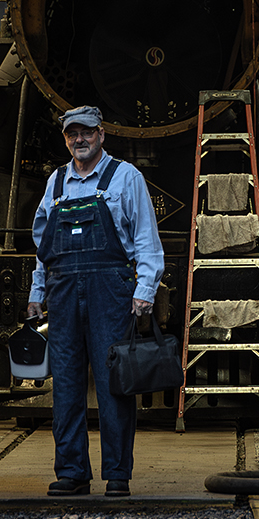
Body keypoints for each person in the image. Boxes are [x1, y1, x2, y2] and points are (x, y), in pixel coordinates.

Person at [27, 106, 164, 497]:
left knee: (113, 385)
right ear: (66, 138)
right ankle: (72, 473)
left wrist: (145, 290)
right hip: (63, 291)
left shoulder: (125, 177)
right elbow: (43, 248)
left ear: (101, 134)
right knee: (66, 384)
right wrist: (37, 292)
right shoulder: (56, 183)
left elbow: (145, 239)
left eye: (86, 132)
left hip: (110, 290)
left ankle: (117, 474)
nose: (79, 140)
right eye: (72, 134)